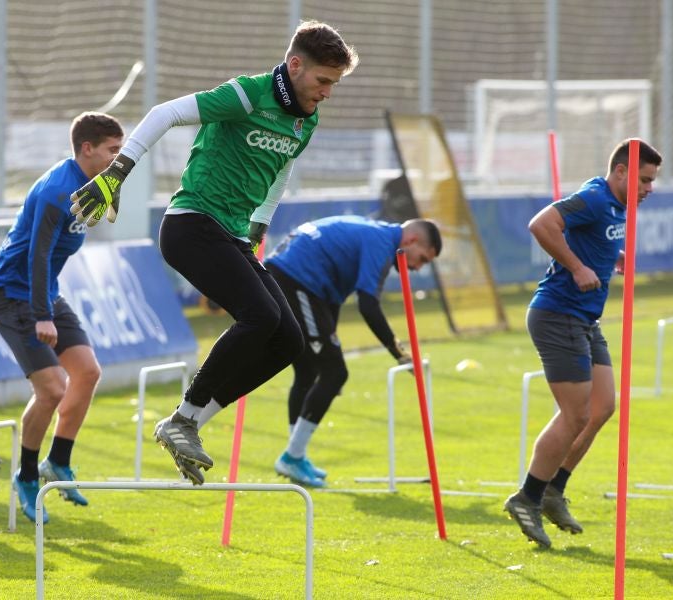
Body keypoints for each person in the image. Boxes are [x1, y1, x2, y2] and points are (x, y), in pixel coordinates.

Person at [70, 20, 358, 485]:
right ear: (296, 64)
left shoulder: (307, 118)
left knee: (288, 342)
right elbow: (163, 113)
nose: (327, 92)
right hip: (191, 224)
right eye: (324, 80)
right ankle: (183, 418)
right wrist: (118, 172)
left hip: (234, 235)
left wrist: (260, 223)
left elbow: (282, 168)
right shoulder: (246, 95)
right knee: (261, 317)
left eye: (334, 84)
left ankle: (187, 427)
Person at [504, 138, 662, 548]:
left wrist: (613, 257)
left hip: (584, 319)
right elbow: (541, 224)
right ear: (622, 172)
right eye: (643, 180)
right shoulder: (594, 197)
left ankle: (554, 490)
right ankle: (527, 498)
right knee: (574, 414)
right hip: (558, 315)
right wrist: (576, 267)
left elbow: (590, 239)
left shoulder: (615, 204)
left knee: (601, 408)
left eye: (652, 182)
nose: (648, 189)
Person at [0, 111, 123, 523]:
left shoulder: (97, 182)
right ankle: (27, 476)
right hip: (14, 296)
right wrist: (42, 315)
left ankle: (57, 461)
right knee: (52, 390)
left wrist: (110, 195)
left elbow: (102, 210)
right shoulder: (56, 190)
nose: (119, 157)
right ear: (87, 148)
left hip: (44, 291)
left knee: (88, 372)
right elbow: (37, 254)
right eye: (113, 150)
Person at [261, 216, 442, 487]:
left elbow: (335, 300)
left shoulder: (377, 233)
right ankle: (292, 456)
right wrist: (400, 354)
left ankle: (295, 454)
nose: (417, 267)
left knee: (310, 370)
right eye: (422, 259)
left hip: (298, 280)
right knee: (335, 373)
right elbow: (368, 304)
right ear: (411, 240)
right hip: (295, 278)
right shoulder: (382, 242)